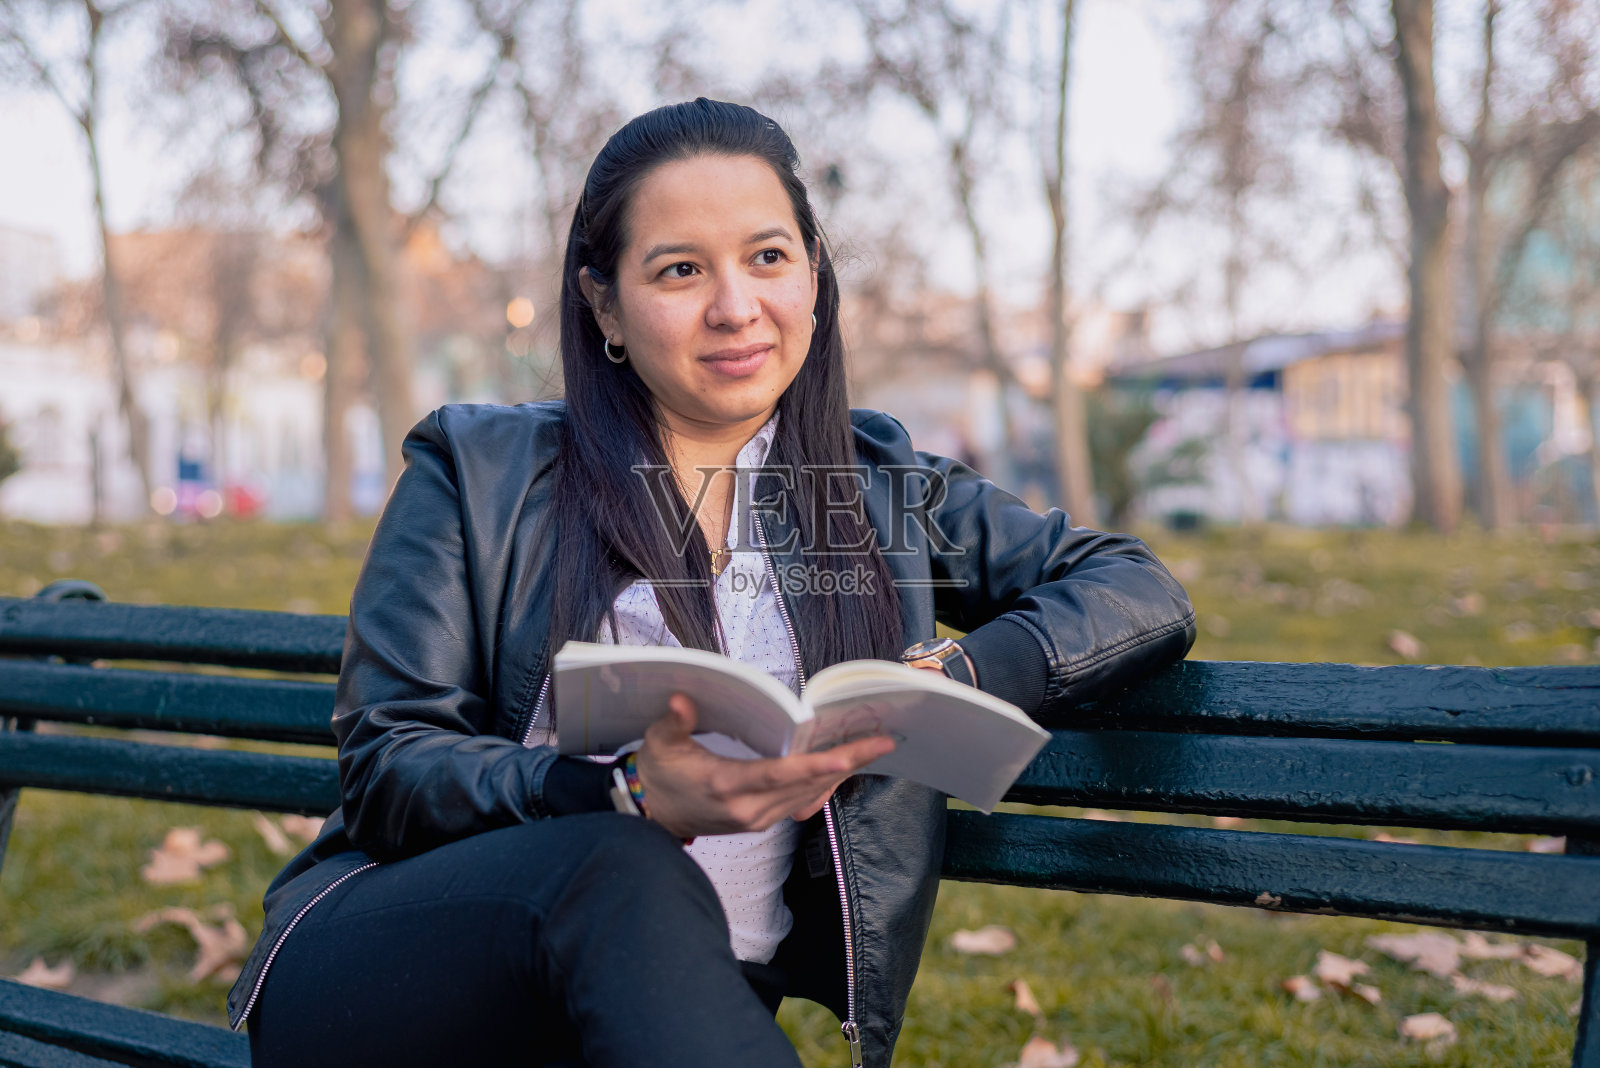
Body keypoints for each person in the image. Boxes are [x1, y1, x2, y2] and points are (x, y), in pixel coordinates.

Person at [229, 98, 1196, 1068]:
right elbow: (392, 766)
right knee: (621, 860)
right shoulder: (481, 470)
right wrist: (617, 791)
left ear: (813, 278)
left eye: (768, 257)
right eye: (680, 270)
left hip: (669, 1010)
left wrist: (959, 678)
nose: (735, 306)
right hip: (405, 972)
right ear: (605, 305)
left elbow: (1131, 585)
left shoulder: (872, 487)